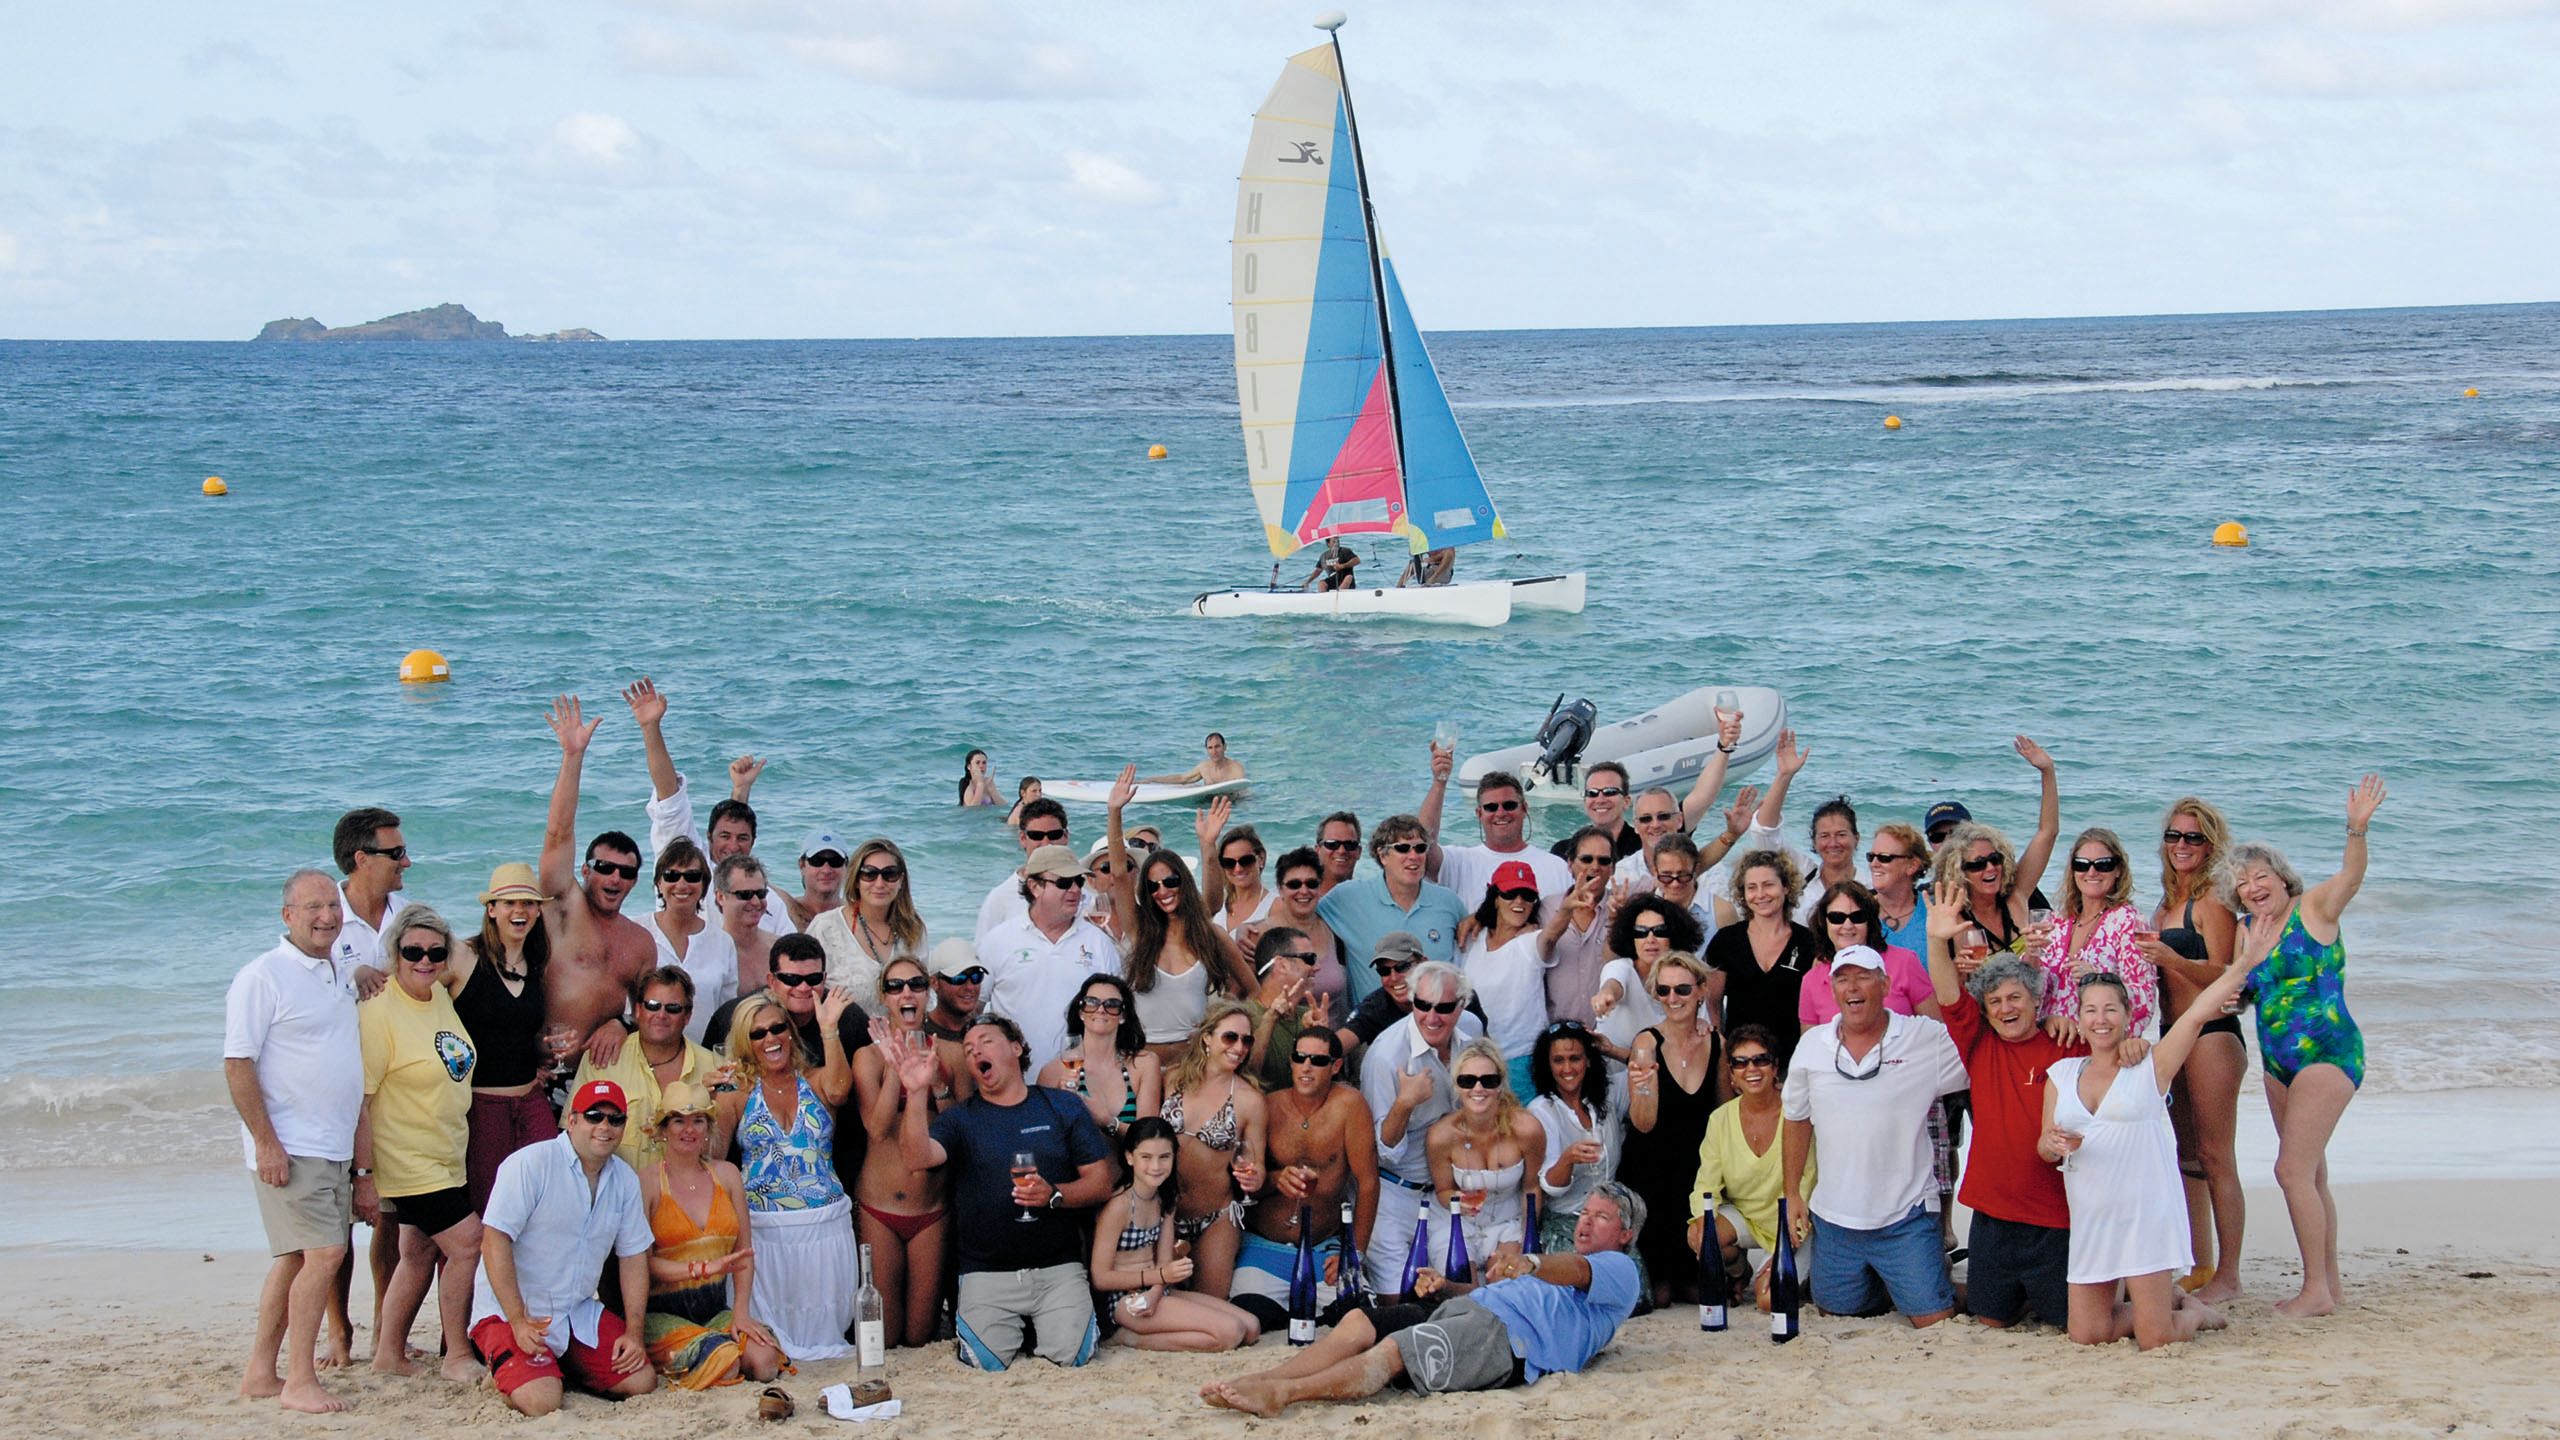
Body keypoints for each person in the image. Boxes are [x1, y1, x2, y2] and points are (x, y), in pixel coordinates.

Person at [1198, 1183, 1646, 1415]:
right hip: (1475, 1310)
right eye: (1584, 1213)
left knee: (1392, 1352)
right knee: (1359, 1321)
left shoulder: (1620, 1270)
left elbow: (1578, 1271)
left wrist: (1531, 1262)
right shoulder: (1556, 1265)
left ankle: (1284, 1393)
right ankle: (1266, 1376)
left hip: (1511, 1342)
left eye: (1600, 1217)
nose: (1585, 1223)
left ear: (1624, 1234)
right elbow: (1491, 1291)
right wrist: (1447, 1287)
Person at [2224, 774, 2387, 1319]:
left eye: (2260, 875)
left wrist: (2356, 829)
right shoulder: (2248, 929)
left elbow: (2351, 875)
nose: (2252, 887)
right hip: (2277, 1063)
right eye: (2242, 883)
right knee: (2311, 1171)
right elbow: (2241, 991)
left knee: (2290, 1172)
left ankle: (2313, 1289)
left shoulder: (2313, 907)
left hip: (2328, 1053)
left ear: (2281, 877)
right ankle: (2330, 1284)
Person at [1918, 872, 2106, 1331]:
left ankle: (2158, 1295)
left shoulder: (2067, 1043)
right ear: (1985, 1011)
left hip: (2055, 1218)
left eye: (2015, 997)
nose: (2006, 1008)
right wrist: (1936, 938)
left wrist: (2122, 1041)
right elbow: (1947, 994)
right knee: (1990, 1320)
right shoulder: (1980, 1044)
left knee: (2069, 1322)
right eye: (1996, 1001)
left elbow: (2113, 1044)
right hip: (1994, 1215)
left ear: (2036, 1000)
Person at [891, 1013, 1117, 1371]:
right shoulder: (961, 1118)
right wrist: (917, 1092)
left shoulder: (1061, 1106)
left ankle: (1045, 1327)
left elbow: (1101, 1182)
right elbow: (917, 1157)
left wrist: (1053, 1195)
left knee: (1073, 1357)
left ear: (1015, 1048)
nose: (975, 1051)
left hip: (1057, 1269)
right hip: (986, 1272)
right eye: (968, 1049)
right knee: (986, 1363)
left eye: (986, 1041)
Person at [2042, 960, 2250, 1348]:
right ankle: (2164, 1302)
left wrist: (2248, 960)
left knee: (2156, 1339)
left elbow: (2199, 1013)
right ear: (2079, 1017)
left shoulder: (2151, 1066)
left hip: (2145, 1217)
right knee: (2087, 1334)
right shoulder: (2061, 1074)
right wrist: (2054, 1143)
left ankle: (2193, 1314)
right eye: (2090, 1010)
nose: (2100, 1019)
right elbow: (2043, 1147)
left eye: (2110, 1009)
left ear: (2127, 1014)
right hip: (2093, 1220)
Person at [225, 869, 360, 1413]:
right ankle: (300, 1380)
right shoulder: (262, 977)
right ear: (288, 916)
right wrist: (266, 1143)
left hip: (333, 1143)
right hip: (291, 1143)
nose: (326, 915)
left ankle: (261, 1372)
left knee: (293, 1259)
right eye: (312, 907)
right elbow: (238, 1064)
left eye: (332, 904)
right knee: (325, 1253)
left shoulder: (340, 971)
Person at [1780, 948, 1968, 1326]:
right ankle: (1894, 1281)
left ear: (1885, 985)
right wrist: (1792, 1192)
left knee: (1934, 1319)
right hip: (1834, 1220)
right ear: (1831, 989)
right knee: (1835, 1312)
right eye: (1842, 978)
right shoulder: (1812, 1045)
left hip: (1906, 1214)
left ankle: (1931, 1273)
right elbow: (1796, 1118)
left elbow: (1978, 1044)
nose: (1853, 987)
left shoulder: (1923, 1037)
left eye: (1863, 976)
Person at [469, 1081, 658, 1415]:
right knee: (542, 1401)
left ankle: (558, 1365)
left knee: (641, 1381)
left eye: (615, 1120)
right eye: (594, 1116)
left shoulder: (625, 1180)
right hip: (515, 1312)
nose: (604, 1127)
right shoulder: (529, 1164)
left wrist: (634, 1332)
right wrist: (517, 1320)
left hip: (576, 1311)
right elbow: (493, 1241)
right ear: (571, 1121)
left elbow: (633, 1257)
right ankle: (515, 1369)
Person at [357, 904, 483, 1380]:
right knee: (469, 1244)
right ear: (395, 952)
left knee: (419, 1252)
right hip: (407, 1158)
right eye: (413, 951)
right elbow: (362, 1103)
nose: (425, 960)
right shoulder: (379, 1010)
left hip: (445, 1152)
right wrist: (364, 1177)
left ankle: (389, 1355)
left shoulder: (438, 997)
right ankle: (456, 1355)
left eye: (435, 951)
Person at [711, 990, 858, 1361]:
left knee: (825, 1336)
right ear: (746, 1042)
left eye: (778, 1028)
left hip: (823, 1227)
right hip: (763, 1232)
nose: (770, 1039)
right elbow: (710, 1157)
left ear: (790, 1032)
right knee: (771, 1340)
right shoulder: (736, 1093)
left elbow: (840, 1091)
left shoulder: (817, 1081)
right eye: (758, 1034)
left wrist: (828, 1029)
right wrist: (704, 1100)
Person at [2145, 796, 2246, 1302]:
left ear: (2210, 845)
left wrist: (2170, 957)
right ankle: (2200, 1265)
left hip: (2211, 1034)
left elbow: (2228, 973)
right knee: (2185, 1155)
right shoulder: (2164, 904)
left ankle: (2229, 1274)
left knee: (2216, 1155)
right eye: (2174, 836)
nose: (2181, 846)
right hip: (2170, 1035)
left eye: (2193, 838)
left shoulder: (2210, 902)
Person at [852, 959, 970, 1349]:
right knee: (885, 1336)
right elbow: (876, 1128)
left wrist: (936, 1084)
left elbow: (964, 1130)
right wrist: (893, 1072)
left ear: (927, 993)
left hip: (931, 1208)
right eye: (896, 985)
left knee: (920, 1336)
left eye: (916, 984)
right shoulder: (867, 1058)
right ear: (884, 997)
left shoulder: (951, 1055)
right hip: (879, 1205)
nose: (907, 992)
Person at [1232, 1025, 1378, 1331]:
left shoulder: (1349, 1106)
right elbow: (1245, 1184)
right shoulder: (1269, 1105)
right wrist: (1275, 1179)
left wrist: (1355, 1254)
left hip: (1323, 1249)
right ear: (1291, 1061)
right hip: (1265, 1247)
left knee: (1357, 1316)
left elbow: (1367, 1184)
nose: (1307, 1067)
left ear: (1336, 1066)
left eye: (1318, 1060)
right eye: (1300, 1058)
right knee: (1252, 1318)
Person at [637, 1081, 783, 1388]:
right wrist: (701, 1268)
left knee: (766, 1362)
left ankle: (710, 1347)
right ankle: (688, 1354)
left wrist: (741, 1312)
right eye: (678, 1120)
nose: (688, 1129)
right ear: (663, 1129)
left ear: (708, 1127)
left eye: (698, 1120)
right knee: (726, 1364)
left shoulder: (727, 1174)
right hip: (663, 1313)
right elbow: (640, 1265)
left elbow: (745, 1253)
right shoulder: (647, 1182)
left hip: (715, 1309)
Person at [534, 697, 656, 1061]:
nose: (615, 878)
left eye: (627, 872)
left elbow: (653, 1010)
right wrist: (572, 757)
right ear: (585, 871)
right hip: (547, 1070)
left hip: (606, 1076)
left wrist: (622, 1023)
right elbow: (558, 832)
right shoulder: (562, 909)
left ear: (635, 881)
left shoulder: (640, 943)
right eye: (604, 868)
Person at [625, 678, 789, 939]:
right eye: (724, 837)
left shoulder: (766, 899)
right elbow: (670, 798)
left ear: (754, 842)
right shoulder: (689, 868)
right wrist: (650, 728)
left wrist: (740, 792)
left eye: (743, 839)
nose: (734, 846)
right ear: (708, 837)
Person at [1357, 960, 1485, 1293]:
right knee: (1398, 1300)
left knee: (1462, 1288)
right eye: (1422, 1005)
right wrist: (1404, 1104)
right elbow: (1382, 1152)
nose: (1431, 1017)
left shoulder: (1471, 1029)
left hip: (1450, 1189)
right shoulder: (1387, 1056)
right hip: (1396, 1191)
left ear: (1460, 1006)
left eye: (1443, 1007)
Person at [1105, 775, 1255, 1057]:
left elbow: (1254, 992)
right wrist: (1114, 812)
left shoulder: (1208, 935)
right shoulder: (1140, 931)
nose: (1163, 890)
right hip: (1143, 1063)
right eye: (1153, 885)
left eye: (1171, 881)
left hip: (1194, 1064)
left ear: (1183, 882)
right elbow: (1119, 875)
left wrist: (1209, 843)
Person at [1091, 1118, 1262, 1350]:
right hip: (1124, 1299)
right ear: (1130, 1157)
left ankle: (1143, 1331)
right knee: (1230, 1333)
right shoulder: (1119, 1206)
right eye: (1146, 1157)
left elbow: (1164, 1263)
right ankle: (1127, 1337)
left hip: (1157, 1288)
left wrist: (1156, 1289)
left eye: (1164, 1157)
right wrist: (1159, 1277)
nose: (1156, 1166)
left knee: (1251, 1327)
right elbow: (1100, 1278)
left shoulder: (1165, 1199)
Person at [1621, 950, 1726, 1306]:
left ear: (1700, 991)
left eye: (1682, 989)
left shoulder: (1716, 1043)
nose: (1672, 999)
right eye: (1663, 991)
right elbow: (1643, 1123)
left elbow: (1724, 1114)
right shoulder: (1646, 1043)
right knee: (1662, 1297)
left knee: (1699, 1293)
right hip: (1652, 1173)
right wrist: (1645, 1086)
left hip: (1696, 1174)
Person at [451, 863, 558, 1213]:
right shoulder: (463, 956)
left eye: (528, 903)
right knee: (487, 1208)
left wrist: (546, 1051)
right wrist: (364, 973)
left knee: (545, 1198)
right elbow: (408, 984)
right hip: (481, 1108)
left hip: (530, 1102)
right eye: (509, 902)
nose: (520, 911)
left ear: (539, 911)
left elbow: (516, 1033)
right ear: (491, 910)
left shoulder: (536, 963)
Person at [1685, 1024, 1807, 1313]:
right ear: (1732, 1073)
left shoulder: (1798, 1113)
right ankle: (1740, 1272)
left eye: (1760, 1060)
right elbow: (1706, 1184)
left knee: (1769, 1302)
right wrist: (1705, 1230)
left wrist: (1793, 1240)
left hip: (1792, 1224)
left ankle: (1799, 1274)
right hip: (1746, 1218)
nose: (1751, 1068)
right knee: (1699, 1234)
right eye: (1740, 1062)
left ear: (1776, 1067)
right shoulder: (1720, 1119)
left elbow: (1807, 1183)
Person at [980, 844, 1124, 1075]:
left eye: (1079, 881)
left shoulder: (1100, 943)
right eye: (1064, 883)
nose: (1075, 890)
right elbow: (974, 1008)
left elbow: (1118, 1014)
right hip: (1014, 1084)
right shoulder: (997, 941)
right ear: (1034, 886)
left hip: (1081, 1083)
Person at [1160, 1000, 1270, 1298]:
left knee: (1210, 1302)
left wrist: (1253, 1178)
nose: (1240, 1047)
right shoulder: (1171, 1079)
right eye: (1230, 1037)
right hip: (1162, 1212)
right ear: (1207, 1037)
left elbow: (1257, 1167)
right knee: (1158, 1300)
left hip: (1215, 1217)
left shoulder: (1250, 1100)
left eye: (1247, 1040)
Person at [562, 967, 725, 1168]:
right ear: (638, 1010)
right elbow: (573, 1134)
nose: (661, 1015)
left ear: (687, 1016)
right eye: (653, 1006)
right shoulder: (602, 1057)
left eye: (672, 1008)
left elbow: (721, 1146)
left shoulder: (713, 1067)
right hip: (617, 1192)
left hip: (685, 1194)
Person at [1922, 735, 2063, 953]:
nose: (1990, 868)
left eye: (1994, 859)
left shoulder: (2017, 897)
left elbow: (2048, 832)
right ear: (1961, 872)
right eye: (1977, 864)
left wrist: (2048, 772)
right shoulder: (1956, 922)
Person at [1456, 858, 1581, 1096]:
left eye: (1528, 895)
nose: (1519, 902)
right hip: (1476, 1058)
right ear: (1495, 897)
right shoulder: (1476, 936)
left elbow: (1552, 934)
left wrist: (1566, 909)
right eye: (1511, 893)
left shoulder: (1531, 941)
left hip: (1522, 1060)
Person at [1318, 813, 1468, 1009]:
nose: (1413, 856)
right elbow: (1300, 911)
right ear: (1382, 855)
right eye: (1403, 848)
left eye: (1420, 848)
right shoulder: (1347, 898)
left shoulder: (1449, 902)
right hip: (1372, 1029)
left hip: (1437, 1023)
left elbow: (1476, 941)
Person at [1427, 1038, 1546, 1267]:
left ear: (1500, 1084)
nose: (1478, 1089)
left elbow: (1531, 1188)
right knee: (1464, 1292)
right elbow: (1443, 1190)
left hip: (1508, 1224)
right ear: (1457, 1086)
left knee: (1504, 1285)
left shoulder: (1527, 1129)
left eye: (1488, 1081)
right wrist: (1457, 1200)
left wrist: (1527, 1238)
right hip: (1457, 1223)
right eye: (1468, 1081)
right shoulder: (1441, 1135)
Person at [2038, 827, 2160, 1040]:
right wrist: (2029, 955)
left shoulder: (2130, 922)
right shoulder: (2056, 920)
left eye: (2103, 865)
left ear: (2118, 870)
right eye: (2082, 865)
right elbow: (2029, 990)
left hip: (2095, 1047)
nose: (2091, 873)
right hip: (2048, 1042)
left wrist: (2097, 980)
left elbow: (2144, 1000)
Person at [1703, 849, 1814, 1067]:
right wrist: (1722, 1051)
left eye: (1768, 885)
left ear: (1786, 887)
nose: (1760, 894)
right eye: (1751, 888)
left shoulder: (1808, 942)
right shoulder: (1726, 940)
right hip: (1741, 1061)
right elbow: (1712, 1004)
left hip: (1793, 1059)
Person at [1420, 756, 1572, 908]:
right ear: (1479, 813)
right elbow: (1421, 844)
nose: (1500, 813)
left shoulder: (1557, 867)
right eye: (1491, 807)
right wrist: (1439, 783)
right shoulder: (1459, 862)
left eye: (1509, 805)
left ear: (1524, 809)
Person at [1527, 1021, 1624, 1255]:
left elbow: (1649, 1068)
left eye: (1575, 1058)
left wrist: (1610, 1050)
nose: (1567, 1068)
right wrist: (1567, 1159)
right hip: (1566, 1224)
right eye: (1558, 1060)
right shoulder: (1541, 1110)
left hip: (1610, 1220)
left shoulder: (1607, 1097)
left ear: (1588, 1060)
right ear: (1548, 1065)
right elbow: (1550, 1187)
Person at [1038, 972, 1163, 1137]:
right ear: (1081, 1012)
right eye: (1091, 1003)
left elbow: (1148, 1137)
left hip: (1128, 1162)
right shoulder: (1054, 1071)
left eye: (1112, 1004)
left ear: (1123, 1015)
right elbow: (1044, 1138)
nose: (1101, 1010)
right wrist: (1063, 1103)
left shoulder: (1144, 1063)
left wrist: (1107, 1121)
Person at [1799, 884, 1938, 1026]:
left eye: (1857, 917)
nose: (1847, 925)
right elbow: (1810, 1044)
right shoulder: (1811, 980)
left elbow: (1937, 1032)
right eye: (1837, 917)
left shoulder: (1906, 962)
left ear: (1870, 921)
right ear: (1824, 922)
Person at [808, 837, 926, 1001]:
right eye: (869, 874)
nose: (879, 883)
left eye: (889, 874)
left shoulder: (913, 928)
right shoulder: (826, 928)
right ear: (856, 880)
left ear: (901, 880)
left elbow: (925, 993)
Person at [644, 838, 738, 1045]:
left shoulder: (722, 942)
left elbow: (726, 1014)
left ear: (704, 884)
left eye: (692, 876)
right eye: (672, 875)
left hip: (706, 1058)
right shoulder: (638, 933)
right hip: (645, 1057)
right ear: (659, 883)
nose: (682, 884)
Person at [1590, 896, 1700, 1062]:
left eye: (1660, 931)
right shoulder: (1621, 967)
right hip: (1614, 1078)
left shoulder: (1687, 975)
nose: (1650, 939)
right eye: (1640, 932)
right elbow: (1613, 984)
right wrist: (1606, 995)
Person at [1543, 827, 1622, 1029]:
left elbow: (1670, 876)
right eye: (1587, 859)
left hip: (1609, 1031)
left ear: (1612, 868)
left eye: (1604, 861)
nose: (1595, 867)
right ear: (1570, 864)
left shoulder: (1623, 907)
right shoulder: (1545, 908)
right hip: (1558, 1033)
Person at [1257, 846, 1349, 1013]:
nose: (1304, 891)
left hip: (1337, 1036)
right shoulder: (1260, 935)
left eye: (1311, 883)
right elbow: (1249, 996)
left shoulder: (1333, 928)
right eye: (1294, 884)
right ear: (1280, 889)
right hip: (1284, 1035)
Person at [976, 796, 1072, 944]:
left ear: (1065, 836)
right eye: (1036, 836)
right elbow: (983, 953)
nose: (1046, 843)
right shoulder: (1000, 898)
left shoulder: (1081, 894)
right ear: (1022, 838)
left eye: (1054, 835)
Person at [331, 805, 411, 979]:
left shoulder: (410, 917)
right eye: (397, 853)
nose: (406, 862)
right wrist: (355, 978)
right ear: (362, 859)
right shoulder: (323, 922)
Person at [711, 855, 778, 999]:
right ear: (720, 897)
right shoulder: (711, 953)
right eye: (745, 894)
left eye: (760, 894)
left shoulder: (777, 947)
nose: (755, 902)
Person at [1548, 761, 1642, 862]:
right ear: (1585, 802)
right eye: (1592, 793)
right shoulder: (1563, 852)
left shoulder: (1643, 848)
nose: (1600, 800)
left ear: (1626, 801)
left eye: (1609, 792)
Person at [1201, 816, 1276, 938]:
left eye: (1246, 860)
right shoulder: (1221, 904)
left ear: (1261, 859)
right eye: (1229, 863)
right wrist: (1207, 844)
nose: (1238, 869)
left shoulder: (1274, 905)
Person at [1866, 822, 1933, 956]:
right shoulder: (1857, 910)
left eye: (1884, 858)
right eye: (1871, 857)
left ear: (1912, 866)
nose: (1874, 864)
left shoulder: (1933, 913)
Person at [778, 829, 849, 932]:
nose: (826, 870)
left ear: (846, 866)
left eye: (835, 861)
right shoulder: (784, 910)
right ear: (802, 865)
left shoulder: (855, 916)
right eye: (817, 861)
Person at [924, 937, 986, 1043]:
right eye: (959, 978)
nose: (970, 987)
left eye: (976, 977)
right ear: (934, 983)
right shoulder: (919, 1033)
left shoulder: (986, 1033)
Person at [1144, 731, 1247, 786]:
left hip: (1231, 803)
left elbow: (1241, 790)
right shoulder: (1204, 767)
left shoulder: (1235, 767)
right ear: (1206, 750)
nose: (1214, 751)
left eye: (1217, 746)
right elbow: (1182, 778)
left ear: (1225, 747)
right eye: (1210, 748)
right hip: (1209, 801)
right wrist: (1152, 779)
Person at [1313, 811, 1363, 898]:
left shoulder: (1367, 898)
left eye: (1350, 845)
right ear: (1318, 851)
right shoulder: (1303, 901)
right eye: (1332, 844)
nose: (1341, 851)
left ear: (1359, 852)